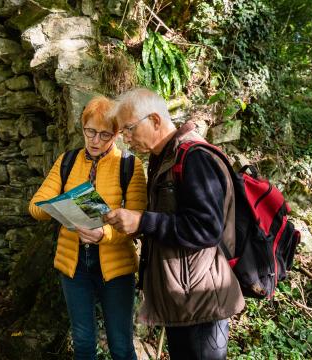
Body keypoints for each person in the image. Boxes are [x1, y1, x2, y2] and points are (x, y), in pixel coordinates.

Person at [103, 88, 244, 360]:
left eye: (129, 129)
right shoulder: (163, 157)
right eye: (123, 133)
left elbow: (206, 228)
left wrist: (143, 220)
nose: (126, 139)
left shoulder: (194, 157)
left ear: (155, 120)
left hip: (202, 303)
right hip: (184, 300)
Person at [29, 96, 147, 360]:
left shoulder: (130, 165)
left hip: (115, 267)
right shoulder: (67, 161)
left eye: (105, 134)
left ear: (117, 134)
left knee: (121, 345)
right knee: (82, 343)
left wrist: (103, 234)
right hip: (74, 265)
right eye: (90, 132)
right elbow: (35, 206)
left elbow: (137, 223)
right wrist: (58, 209)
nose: (95, 140)